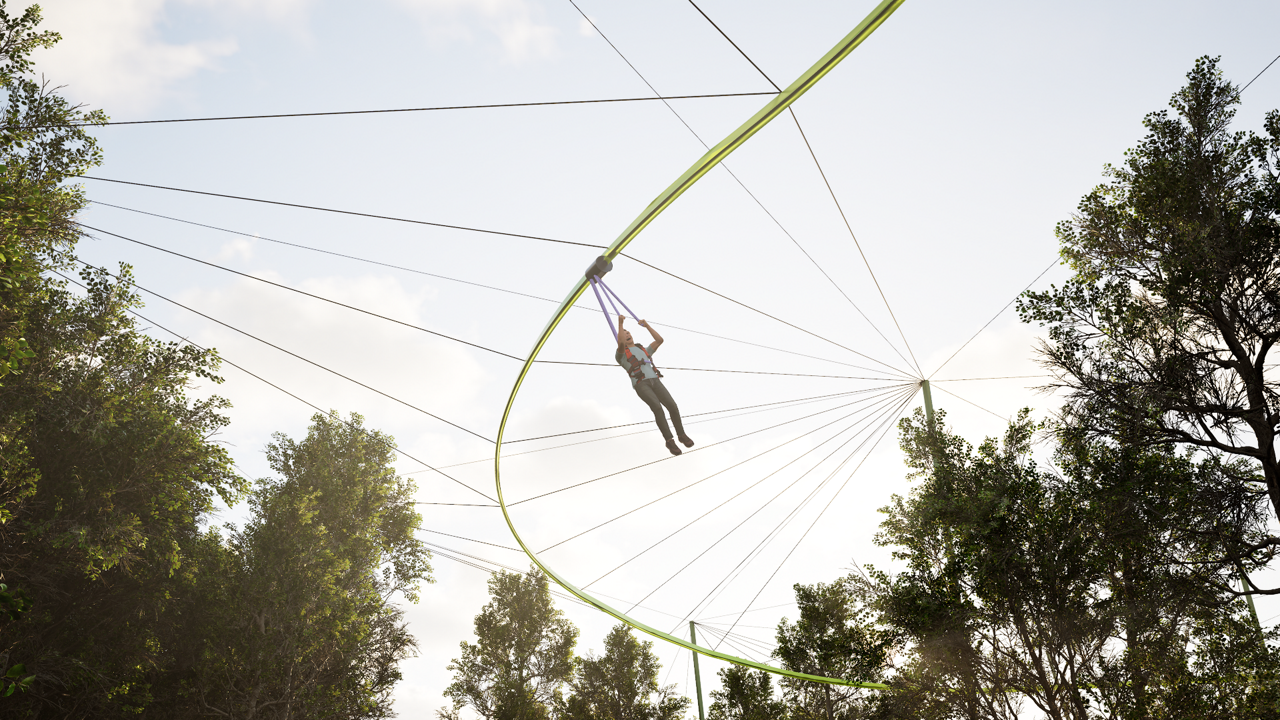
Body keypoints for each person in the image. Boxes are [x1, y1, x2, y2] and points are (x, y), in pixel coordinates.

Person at [615, 315, 694, 456]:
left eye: (628, 333)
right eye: (624, 334)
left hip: (655, 381)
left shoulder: (643, 349)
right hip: (641, 384)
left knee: (672, 406)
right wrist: (620, 324)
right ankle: (669, 440)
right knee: (657, 408)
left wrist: (647, 326)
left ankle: (681, 435)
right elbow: (621, 343)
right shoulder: (620, 355)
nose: (627, 335)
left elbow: (659, 340)